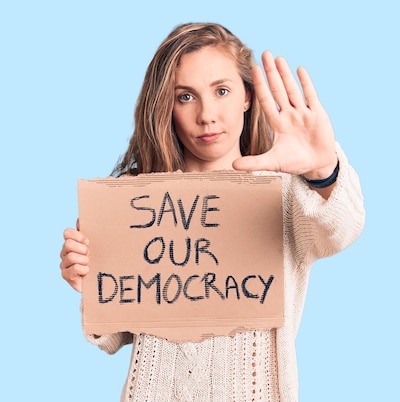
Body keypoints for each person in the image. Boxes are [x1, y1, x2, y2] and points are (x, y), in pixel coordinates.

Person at [59, 22, 365, 402]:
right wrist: (89, 282)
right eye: (185, 97)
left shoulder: (285, 194)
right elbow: (114, 335)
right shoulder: (137, 203)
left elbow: (341, 227)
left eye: (221, 91)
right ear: (166, 106)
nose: (206, 115)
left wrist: (323, 171)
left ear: (247, 97)